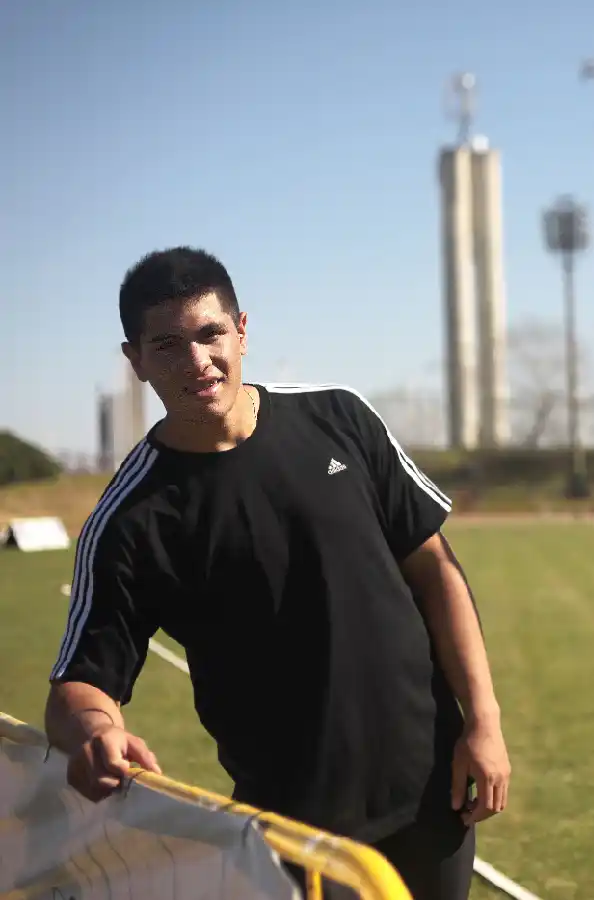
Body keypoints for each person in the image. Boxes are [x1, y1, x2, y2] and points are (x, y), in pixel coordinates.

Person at [43, 246, 510, 900]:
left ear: (241, 330)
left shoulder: (339, 417)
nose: (197, 361)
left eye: (210, 334)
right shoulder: (131, 519)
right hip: (295, 835)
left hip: (434, 798)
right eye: (168, 345)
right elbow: (78, 687)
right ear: (136, 361)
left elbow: (436, 572)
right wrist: (96, 731)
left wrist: (482, 720)